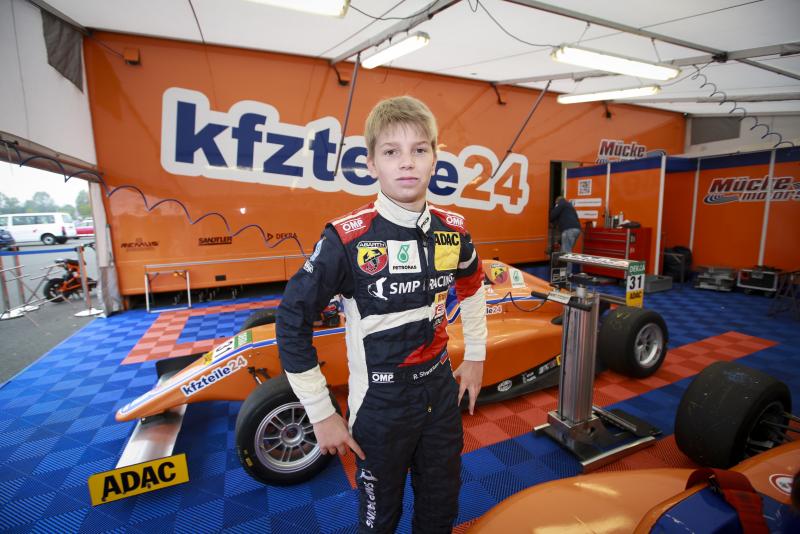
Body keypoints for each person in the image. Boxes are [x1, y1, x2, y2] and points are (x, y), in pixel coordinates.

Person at [276, 95, 487, 533]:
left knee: (441, 512)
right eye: (392, 152)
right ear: (372, 163)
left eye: (419, 150)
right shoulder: (346, 238)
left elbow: (472, 285)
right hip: (380, 404)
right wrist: (320, 411)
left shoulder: (454, 230)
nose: (407, 162)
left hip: (440, 392)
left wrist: (476, 355)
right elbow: (291, 320)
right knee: (379, 522)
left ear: (435, 158)